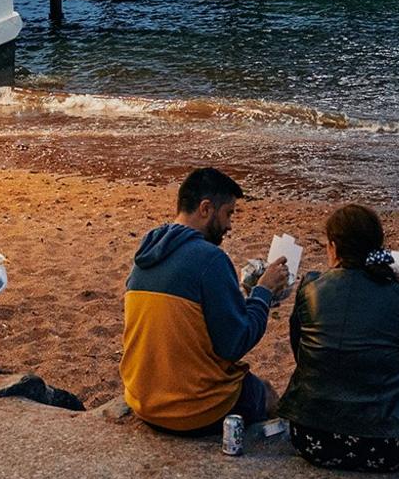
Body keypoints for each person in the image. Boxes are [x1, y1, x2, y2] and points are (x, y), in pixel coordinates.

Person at [277, 204, 399, 473]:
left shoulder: (311, 288)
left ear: (332, 247)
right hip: (386, 446)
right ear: (379, 246)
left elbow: (302, 355)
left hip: (312, 439)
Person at [121, 167, 290, 435]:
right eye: (229, 213)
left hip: (142, 399)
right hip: (193, 411)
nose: (230, 225)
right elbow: (234, 344)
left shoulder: (146, 254)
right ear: (206, 208)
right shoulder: (211, 259)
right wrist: (264, 291)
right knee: (265, 393)